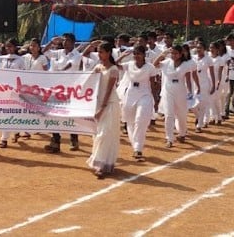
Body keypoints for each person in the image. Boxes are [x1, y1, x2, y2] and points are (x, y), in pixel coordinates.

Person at [43, 33, 83, 152]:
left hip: (70, 89)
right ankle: (55, 141)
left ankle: (74, 139)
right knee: (54, 114)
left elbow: (68, 66)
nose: (65, 42)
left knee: (71, 114)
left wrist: (57, 71)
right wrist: (51, 42)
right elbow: (44, 51)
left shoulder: (76, 55)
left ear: (73, 42)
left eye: (68, 40)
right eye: (64, 40)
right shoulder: (59, 52)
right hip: (56, 89)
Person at [86, 42, 120, 178]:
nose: (99, 55)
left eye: (101, 52)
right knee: (97, 134)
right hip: (98, 103)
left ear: (108, 53)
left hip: (110, 104)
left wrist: (102, 108)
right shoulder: (98, 67)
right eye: (98, 52)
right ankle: (99, 161)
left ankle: (101, 164)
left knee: (105, 134)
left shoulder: (113, 69)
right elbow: (87, 81)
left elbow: (109, 90)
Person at [121, 45, 157, 161]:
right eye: (135, 54)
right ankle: (135, 146)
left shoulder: (150, 67)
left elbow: (153, 84)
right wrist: (122, 56)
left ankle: (138, 148)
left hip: (145, 94)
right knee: (130, 122)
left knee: (140, 120)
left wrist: (155, 99)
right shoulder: (129, 65)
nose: (136, 56)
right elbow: (114, 65)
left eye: (139, 53)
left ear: (144, 54)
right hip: (131, 93)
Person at [154, 45, 193, 147]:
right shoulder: (167, 62)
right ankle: (169, 138)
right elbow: (154, 64)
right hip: (168, 90)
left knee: (181, 114)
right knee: (169, 114)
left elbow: (188, 79)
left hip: (180, 90)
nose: (173, 55)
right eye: (172, 53)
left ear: (180, 54)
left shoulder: (186, 65)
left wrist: (190, 92)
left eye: (176, 53)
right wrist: (163, 54)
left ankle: (182, 133)